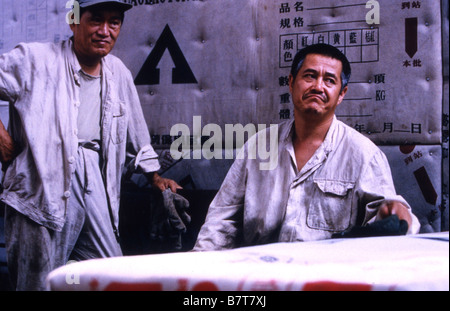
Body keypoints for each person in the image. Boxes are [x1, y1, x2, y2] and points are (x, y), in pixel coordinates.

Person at [0, 0, 180, 290]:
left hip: (95, 182)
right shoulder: (35, 59)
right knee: (38, 283)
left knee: (112, 276)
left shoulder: (118, 73)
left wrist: (156, 178)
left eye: (114, 22)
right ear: (74, 21)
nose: (105, 31)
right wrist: (1, 137)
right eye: (96, 20)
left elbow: (136, 135)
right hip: (40, 184)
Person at [194, 43, 420, 251]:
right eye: (310, 76)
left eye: (330, 80)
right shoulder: (258, 146)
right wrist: (197, 272)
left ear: (341, 94)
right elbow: (222, 219)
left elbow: (392, 218)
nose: (318, 86)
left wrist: (397, 215)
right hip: (260, 275)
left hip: (327, 279)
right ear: (291, 83)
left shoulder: (363, 154)